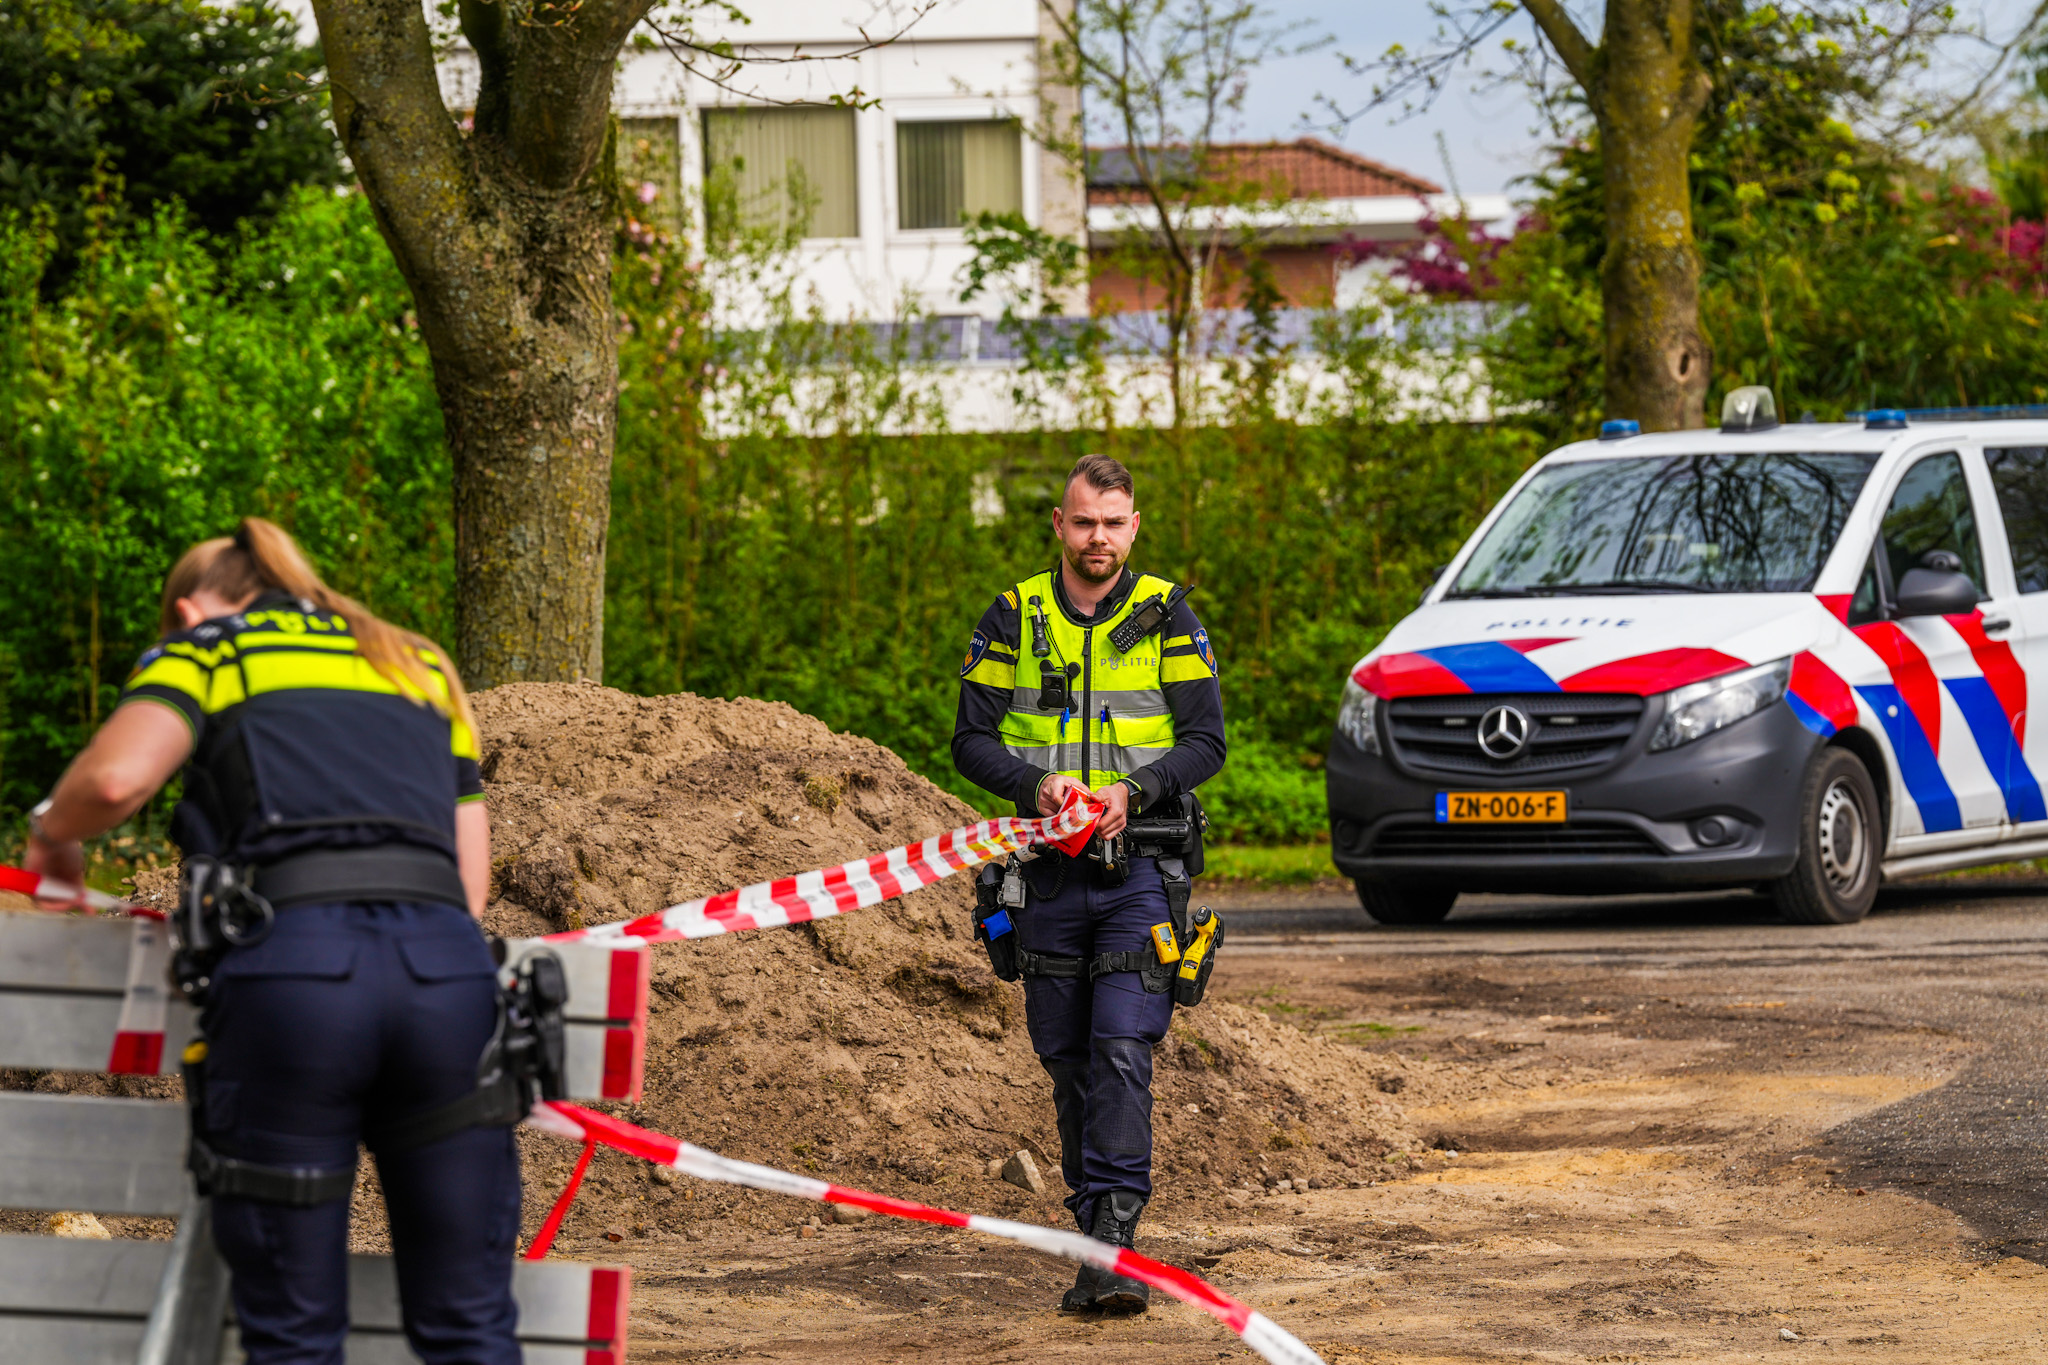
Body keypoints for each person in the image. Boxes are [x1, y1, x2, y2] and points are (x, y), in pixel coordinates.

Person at [24, 518, 520, 1365]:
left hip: (297, 985)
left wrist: (52, 836)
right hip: (447, 985)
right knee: (471, 1327)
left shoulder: (210, 651)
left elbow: (115, 778)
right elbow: (469, 884)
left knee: (293, 1339)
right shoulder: (417, 661)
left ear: (188, 609)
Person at [952, 454, 1225, 1313]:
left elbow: (1206, 740)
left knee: (1121, 1048)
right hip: (1044, 877)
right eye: (1083, 522)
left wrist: (1130, 792)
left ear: (1133, 527)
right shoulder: (1015, 613)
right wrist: (1037, 787)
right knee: (1067, 1060)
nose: (1097, 537)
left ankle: (1113, 1245)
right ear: (1060, 527)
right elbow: (970, 737)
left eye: (1113, 523)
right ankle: (1092, 1223)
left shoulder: (1166, 614)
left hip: (1140, 869)